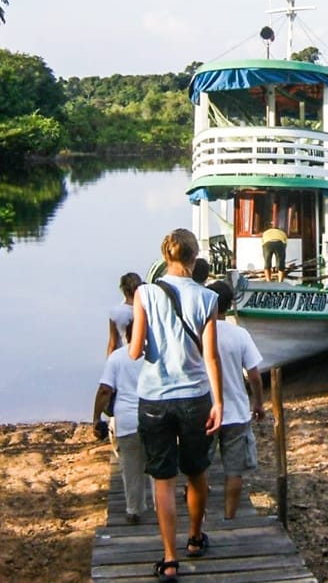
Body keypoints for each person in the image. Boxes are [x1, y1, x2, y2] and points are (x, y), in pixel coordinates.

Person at [129, 228, 223, 583]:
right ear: (194, 259)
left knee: (163, 480)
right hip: (196, 397)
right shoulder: (208, 298)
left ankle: (169, 559)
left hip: (154, 397)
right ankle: (195, 539)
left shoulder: (144, 293)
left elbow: (136, 351)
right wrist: (219, 403)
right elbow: (211, 358)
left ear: (165, 257)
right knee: (197, 473)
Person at [205, 280, 266, 520]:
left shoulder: (199, 333)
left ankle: (198, 516)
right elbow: (254, 375)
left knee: (200, 466)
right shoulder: (239, 334)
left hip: (206, 411)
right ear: (230, 305)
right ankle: (229, 516)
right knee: (234, 471)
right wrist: (258, 403)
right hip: (237, 412)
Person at [93, 323, 149, 523]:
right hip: (156, 418)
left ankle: (134, 509)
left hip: (127, 421)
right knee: (159, 467)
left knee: (131, 466)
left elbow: (105, 390)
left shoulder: (117, 357)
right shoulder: (159, 356)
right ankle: (163, 506)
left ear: (126, 334)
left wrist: (96, 418)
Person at [107, 272, 142, 354]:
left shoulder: (115, 313)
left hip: (122, 354)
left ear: (123, 290)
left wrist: (109, 362)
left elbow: (112, 343)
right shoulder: (145, 310)